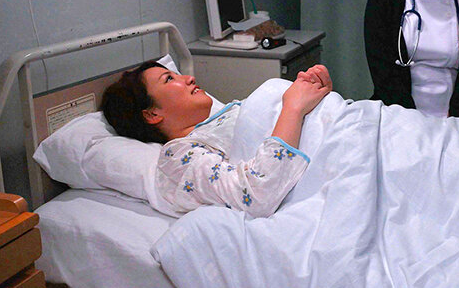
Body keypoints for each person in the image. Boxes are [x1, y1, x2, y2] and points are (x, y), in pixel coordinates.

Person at [101, 61, 333, 218]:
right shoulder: (178, 156)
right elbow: (256, 194)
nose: (189, 78)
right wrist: (293, 108)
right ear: (152, 114)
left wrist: (316, 96)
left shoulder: (228, 115)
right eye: (169, 79)